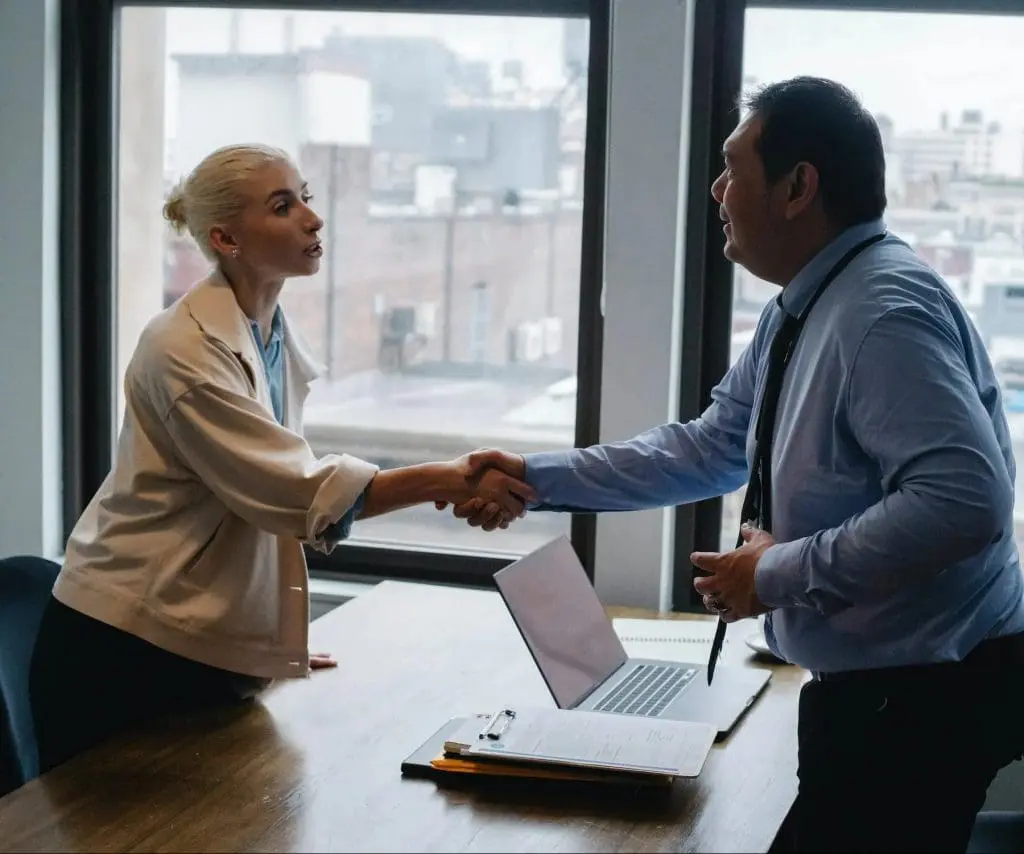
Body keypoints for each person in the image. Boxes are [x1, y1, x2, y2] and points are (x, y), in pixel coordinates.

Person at [439, 77, 1024, 853]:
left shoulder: (882, 314)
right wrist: (533, 478)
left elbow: (963, 502)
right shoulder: (807, 304)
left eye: (732, 168)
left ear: (797, 187)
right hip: (886, 688)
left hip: (923, 697)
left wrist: (773, 573)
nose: (717, 191)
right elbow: (710, 447)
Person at [28, 143, 533, 774]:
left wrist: (265, 640)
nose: (313, 219)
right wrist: (449, 479)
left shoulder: (265, 330)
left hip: (190, 637)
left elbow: (263, 499)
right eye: (282, 206)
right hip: (125, 646)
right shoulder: (183, 349)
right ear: (226, 238)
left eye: (306, 198)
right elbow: (291, 490)